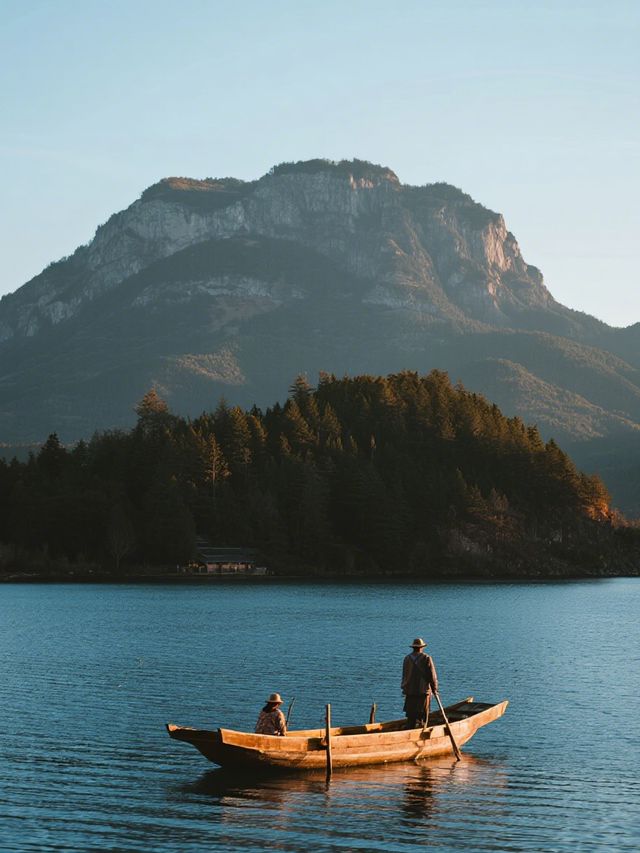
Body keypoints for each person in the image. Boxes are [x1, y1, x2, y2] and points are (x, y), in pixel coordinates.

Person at [401, 638, 438, 728]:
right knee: (422, 714)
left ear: (413, 648)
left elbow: (404, 675)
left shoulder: (407, 659)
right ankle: (421, 729)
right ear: (422, 647)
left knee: (411, 715)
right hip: (423, 691)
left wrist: (404, 687)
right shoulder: (426, 658)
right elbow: (432, 676)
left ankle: (410, 728)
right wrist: (435, 689)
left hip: (410, 691)